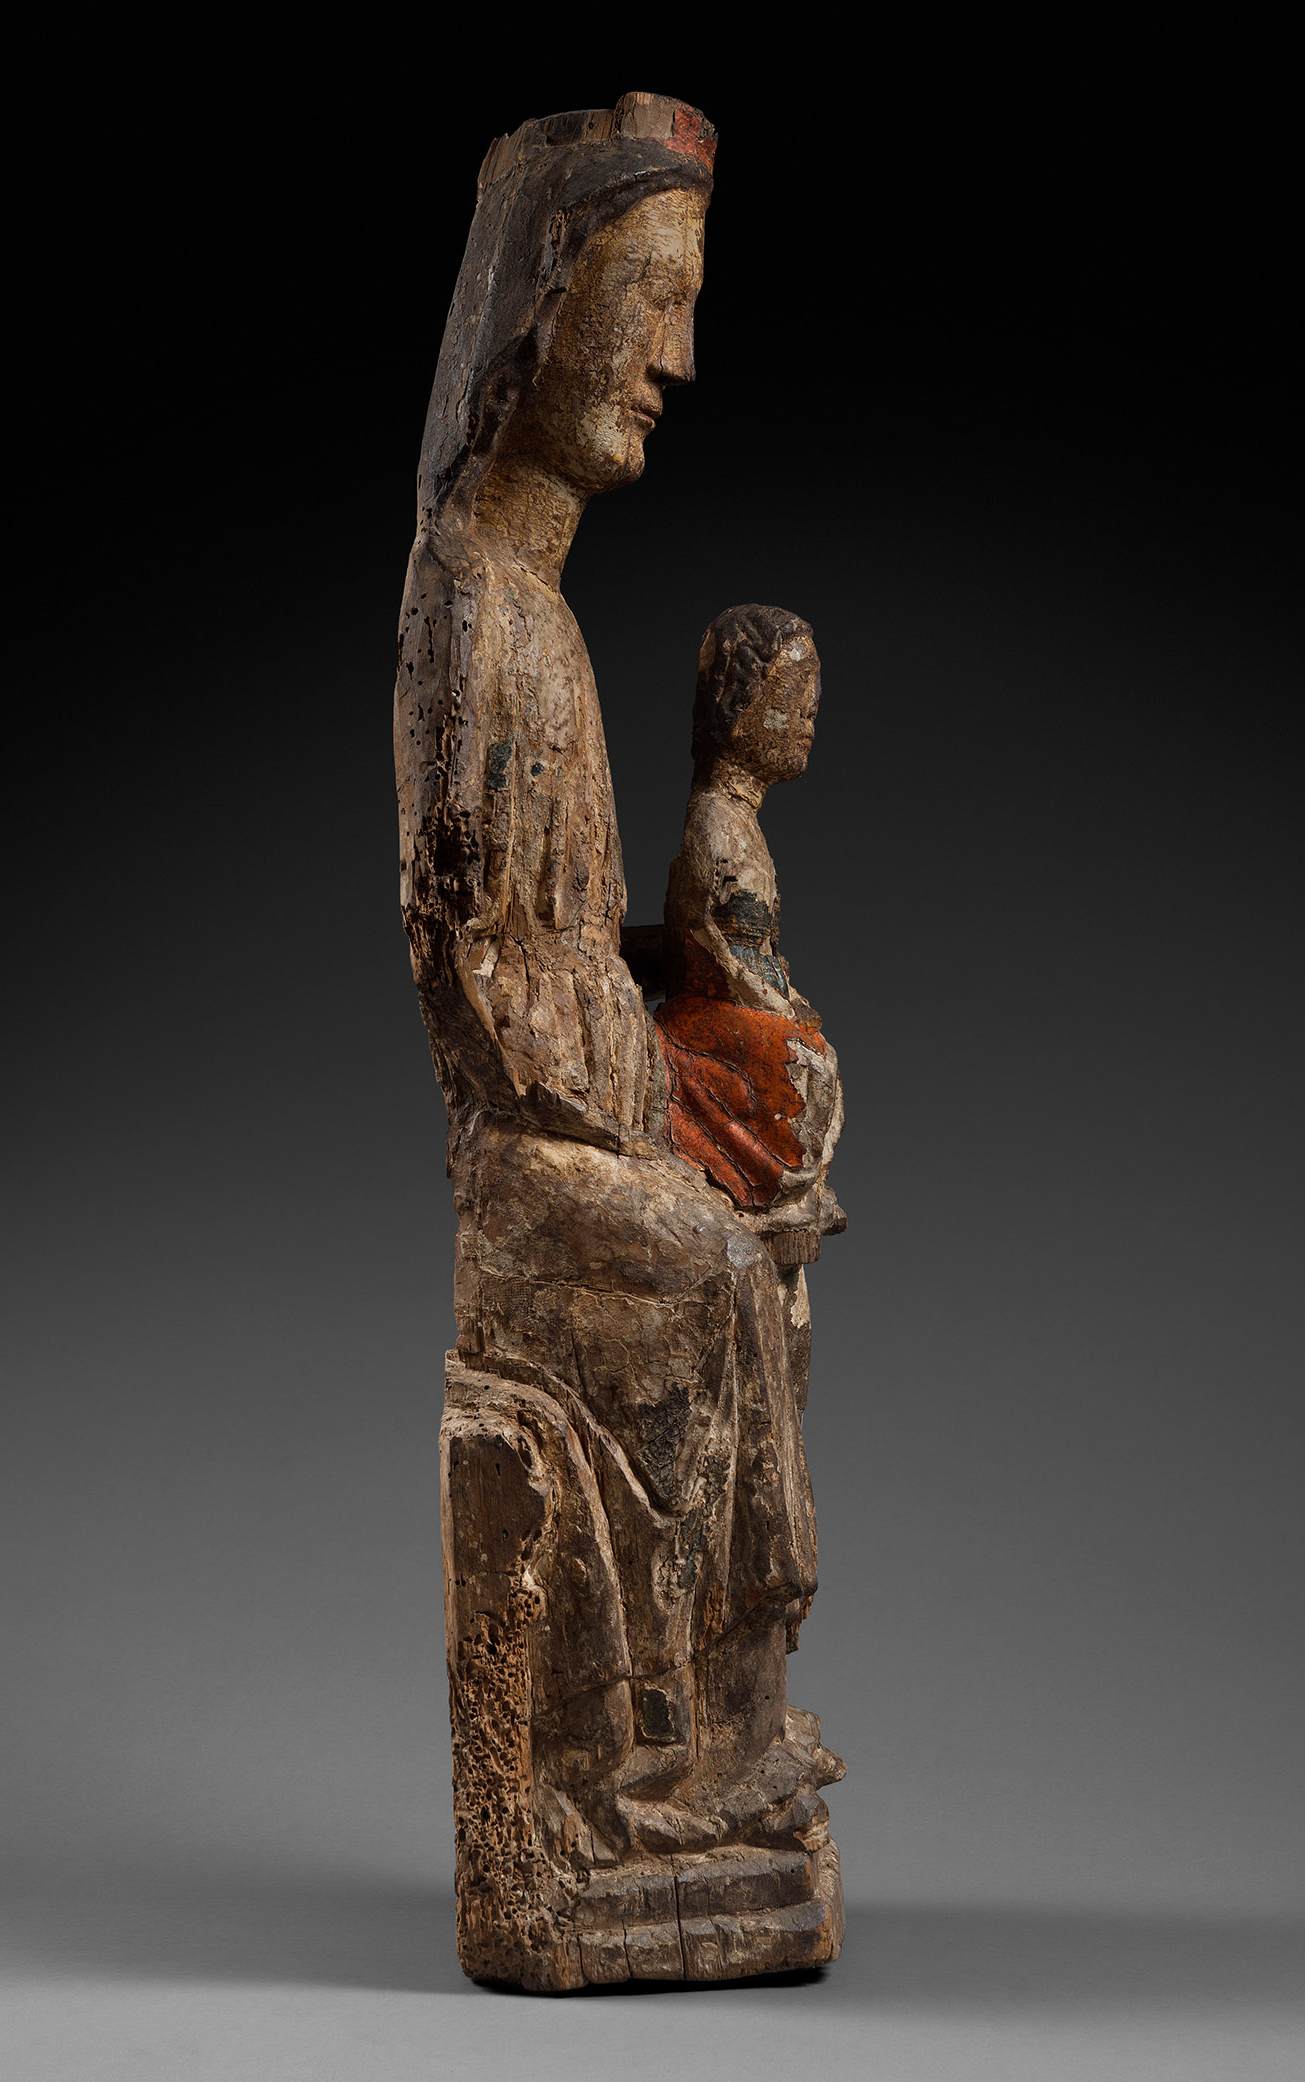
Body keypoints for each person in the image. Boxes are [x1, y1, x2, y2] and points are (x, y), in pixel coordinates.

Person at [395, 99, 840, 1892]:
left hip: (588, 1102)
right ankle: (639, 1771)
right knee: (719, 1263)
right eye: (650, 298)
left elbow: (569, 936)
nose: (679, 356)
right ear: (540, 302)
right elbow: (476, 968)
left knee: (770, 1245)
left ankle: (725, 1721)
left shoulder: (542, 617)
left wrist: (668, 1021)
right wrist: (650, 1099)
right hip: (527, 1151)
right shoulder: (474, 612)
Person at [657, 605, 846, 1262]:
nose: (807, 720)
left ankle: (782, 1194)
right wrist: (783, 1006)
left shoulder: (737, 822)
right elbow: (726, 956)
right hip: (706, 1013)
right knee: (806, 1059)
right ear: (736, 710)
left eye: (810, 704)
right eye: (790, 700)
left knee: (809, 1051)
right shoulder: (720, 828)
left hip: (721, 1000)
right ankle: (768, 1189)